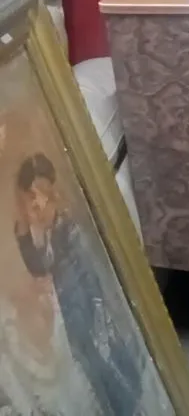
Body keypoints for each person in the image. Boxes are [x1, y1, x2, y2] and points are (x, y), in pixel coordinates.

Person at [13, 153, 143, 416]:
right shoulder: (51, 233)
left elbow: (88, 280)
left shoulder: (68, 228)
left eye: (36, 206)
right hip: (79, 323)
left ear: (49, 195)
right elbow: (40, 266)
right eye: (30, 208)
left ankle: (132, 407)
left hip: (91, 318)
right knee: (98, 376)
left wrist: (94, 324)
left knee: (112, 373)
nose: (34, 214)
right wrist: (25, 236)